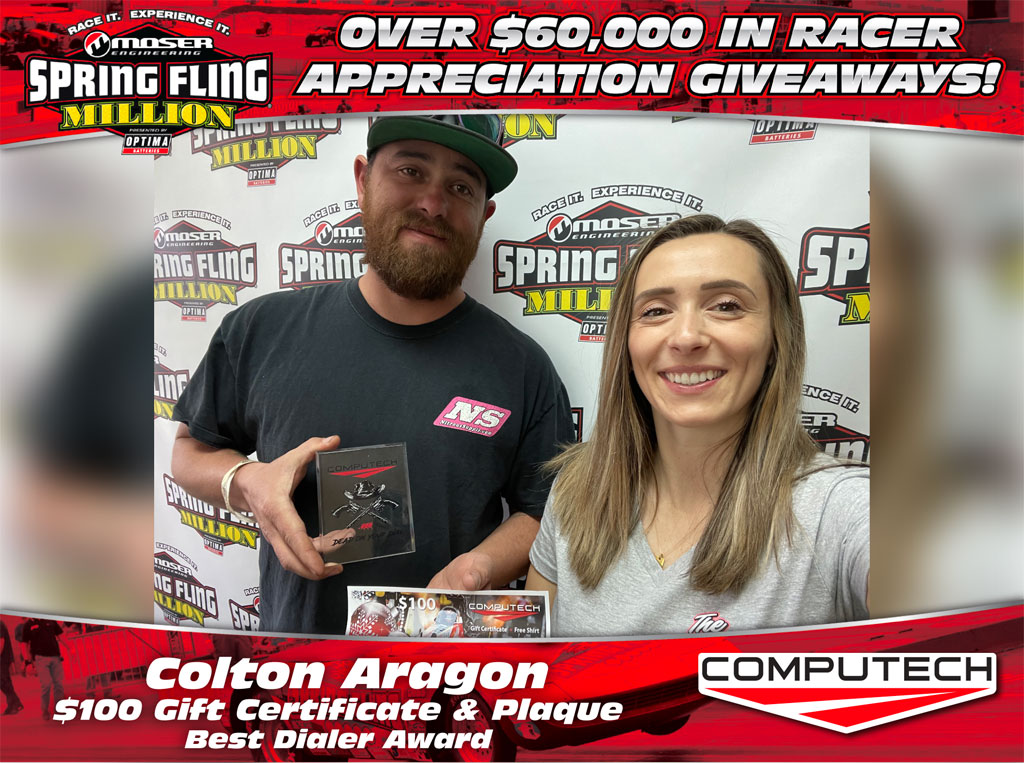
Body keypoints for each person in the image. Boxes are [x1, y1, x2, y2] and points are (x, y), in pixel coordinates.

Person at [172, 115, 574, 634]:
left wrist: (479, 568)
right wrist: (247, 482)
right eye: (411, 170)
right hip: (296, 669)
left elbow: (547, 513)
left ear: (484, 215)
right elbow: (190, 452)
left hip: (446, 669)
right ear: (362, 181)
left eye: (461, 187)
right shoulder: (261, 329)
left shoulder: (524, 368)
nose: (433, 203)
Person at [527, 215, 868, 637]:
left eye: (726, 306)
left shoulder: (838, 508)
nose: (686, 336)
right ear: (626, 346)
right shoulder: (577, 488)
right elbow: (529, 657)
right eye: (655, 311)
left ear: (777, 339)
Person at [22, 618, 65, 719]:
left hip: (55, 656)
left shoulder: (50, 620)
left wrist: (70, 648)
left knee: (58, 684)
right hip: (40, 658)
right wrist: (27, 661)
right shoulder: (28, 625)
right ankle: (45, 709)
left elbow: (61, 635)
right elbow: (24, 644)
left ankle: (58, 708)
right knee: (46, 684)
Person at [1, 620, 23, 715]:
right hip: (3, 658)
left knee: (3, 682)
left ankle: (15, 704)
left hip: (2, 658)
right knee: (5, 682)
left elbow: (1, 642)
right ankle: (13, 705)